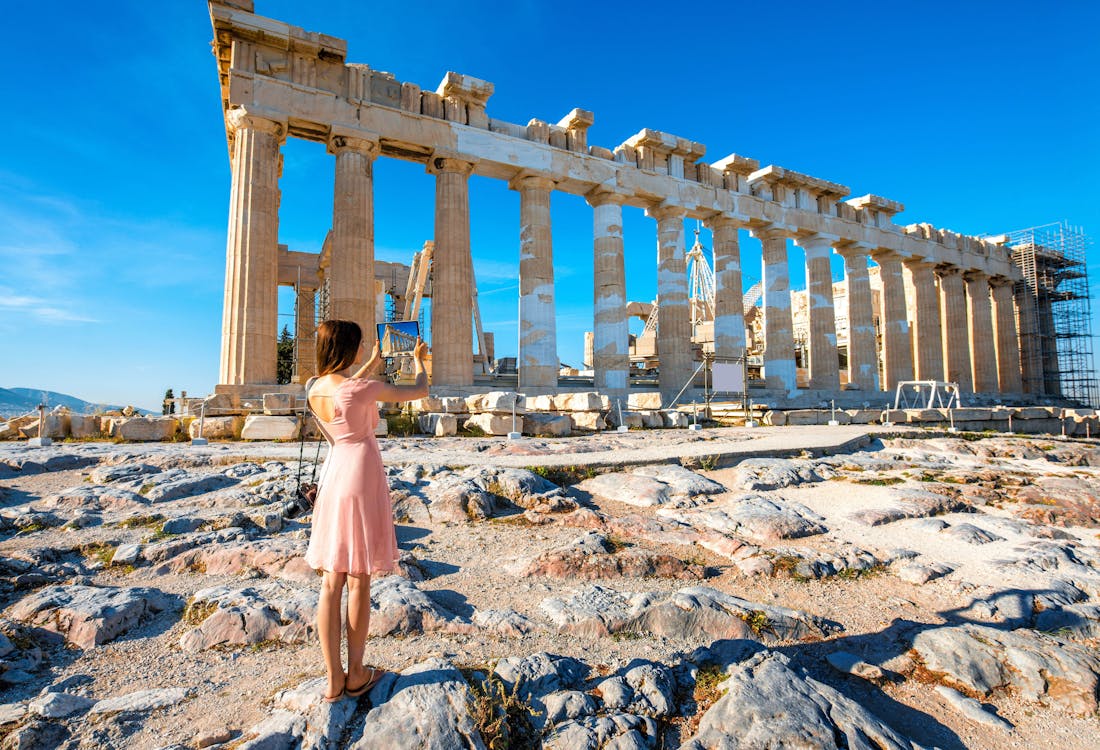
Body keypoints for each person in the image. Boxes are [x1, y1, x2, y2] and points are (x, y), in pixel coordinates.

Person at [303, 319, 429, 702]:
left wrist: (372, 362)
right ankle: (357, 673)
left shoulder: (315, 390)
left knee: (331, 581)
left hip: (334, 476)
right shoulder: (363, 389)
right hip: (361, 477)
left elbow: (345, 395)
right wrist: (421, 360)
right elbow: (419, 390)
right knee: (358, 578)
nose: (362, 350)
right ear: (347, 348)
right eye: (359, 345)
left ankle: (332, 678)